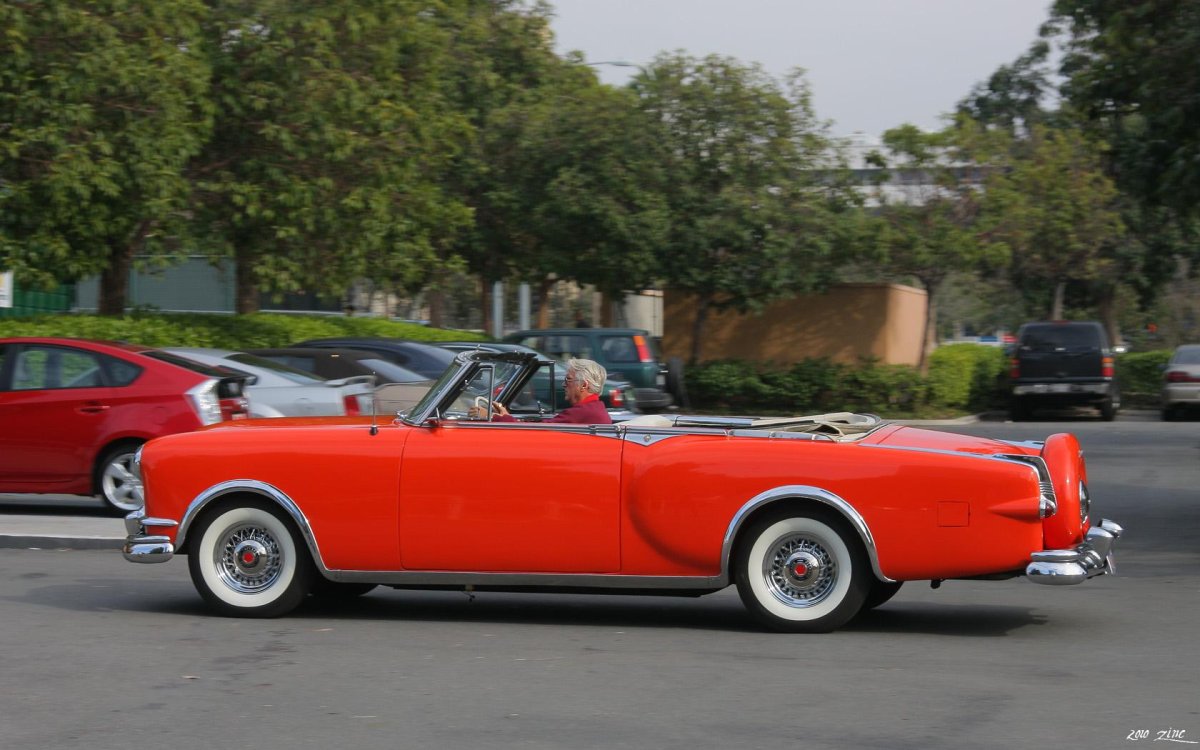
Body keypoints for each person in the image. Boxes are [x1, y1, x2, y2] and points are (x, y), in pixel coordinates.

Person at [471, 358, 612, 424]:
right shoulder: (592, 409)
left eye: (568, 380)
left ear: (583, 385)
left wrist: (492, 417)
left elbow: (537, 431)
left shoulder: (582, 413)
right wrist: (506, 417)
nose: (564, 384)